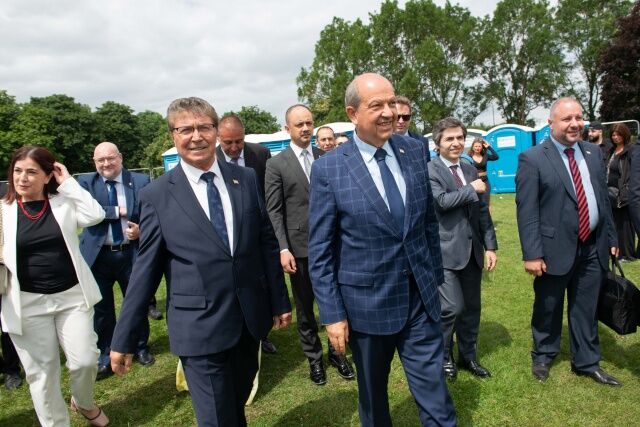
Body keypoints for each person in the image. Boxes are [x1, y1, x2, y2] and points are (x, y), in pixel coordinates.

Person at [110, 97, 292, 427]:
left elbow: (265, 243)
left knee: (235, 406)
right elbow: (145, 271)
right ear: (173, 135)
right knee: (216, 418)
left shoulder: (245, 179)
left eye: (204, 127)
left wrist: (279, 301)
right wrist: (124, 338)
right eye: (185, 129)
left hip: (248, 321)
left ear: (216, 132)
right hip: (199, 329)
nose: (196, 136)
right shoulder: (157, 195)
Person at [309, 73, 456, 426]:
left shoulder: (414, 150)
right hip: (366, 308)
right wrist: (332, 314)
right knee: (374, 401)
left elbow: (427, 222)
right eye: (377, 105)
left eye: (392, 103)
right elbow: (321, 250)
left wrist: (435, 279)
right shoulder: (329, 168)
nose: (389, 112)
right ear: (353, 113)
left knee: (435, 394)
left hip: (420, 300)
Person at [1, 146, 109, 426]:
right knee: (42, 375)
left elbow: (95, 215)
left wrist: (69, 183)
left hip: (72, 297)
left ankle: (83, 402)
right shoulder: (3, 210)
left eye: (31, 172)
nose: (22, 178)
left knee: (85, 360)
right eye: (17, 171)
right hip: (26, 304)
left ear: (48, 175)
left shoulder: (62, 203)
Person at [515, 97, 620, 386]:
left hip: (593, 246)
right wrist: (532, 253)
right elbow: (527, 211)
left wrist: (611, 237)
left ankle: (586, 361)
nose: (575, 124)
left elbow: (602, 199)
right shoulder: (533, 158)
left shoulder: (593, 153)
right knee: (548, 306)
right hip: (553, 249)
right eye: (567, 119)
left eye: (578, 117)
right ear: (551, 123)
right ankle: (544, 354)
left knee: (586, 306)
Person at [265, 104, 354, 385]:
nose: (305, 128)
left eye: (308, 123)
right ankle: (314, 359)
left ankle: (338, 354)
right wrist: (283, 248)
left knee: (337, 301)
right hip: (300, 248)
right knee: (305, 309)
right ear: (287, 129)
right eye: (299, 124)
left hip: (333, 245)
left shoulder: (326, 157)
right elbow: (274, 211)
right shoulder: (276, 164)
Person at [78, 142, 155, 381]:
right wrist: (118, 211)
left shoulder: (140, 181)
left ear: (120, 158)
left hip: (130, 253)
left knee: (136, 302)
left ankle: (140, 346)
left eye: (110, 158)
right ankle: (105, 353)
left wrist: (141, 230)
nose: (106, 164)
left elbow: (152, 213)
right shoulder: (85, 183)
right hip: (98, 257)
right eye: (100, 160)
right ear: (94, 162)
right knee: (101, 309)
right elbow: (87, 212)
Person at [429, 118, 497, 381]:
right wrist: (471, 189)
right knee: (451, 309)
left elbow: (482, 212)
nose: (456, 143)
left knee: (471, 309)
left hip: (472, 252)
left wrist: (490, 246)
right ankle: (444, 356)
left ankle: (468, 357)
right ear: (438, 143)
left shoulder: (469, 169)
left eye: (460, 137)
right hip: (444, 252)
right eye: (449, 138)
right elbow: (441, 201)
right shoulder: (430, 170)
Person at [216, 114, 277, 354]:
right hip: (228, 234)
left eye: (238, 141)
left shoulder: (260, 154)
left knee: (260, 284)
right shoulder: (211, 158)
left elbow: (268, 191)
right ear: (218, 138)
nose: (234, 148)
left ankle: (262, 334)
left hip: (258, 228)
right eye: (228, 142)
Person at [605, 123, 635, 261]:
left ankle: (628, 254)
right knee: (614, 224)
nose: (615, 137)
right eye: (613, 135)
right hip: (610, 192)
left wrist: (628, 189)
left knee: (626, 225)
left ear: (624, 135)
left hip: (624, 192)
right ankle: (616, 251)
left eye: (618, 135)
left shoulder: (630, 151)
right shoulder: (610, 151)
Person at [394, 95, 430, 161]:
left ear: (410, 118)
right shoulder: (382, 142)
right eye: (397, 117)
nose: (401, 121)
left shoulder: (422, 141)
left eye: (406, 117)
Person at [468, 137, 499, 206]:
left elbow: (496, 157)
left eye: (479, 146)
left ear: (482, 147)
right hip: (474, 182)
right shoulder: (468, 157)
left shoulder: (485, 155)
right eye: (476, 146)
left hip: (485, 181)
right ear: (472, 147)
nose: (477, 148)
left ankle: (487, 213)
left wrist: (489, 147)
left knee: (486, 201)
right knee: (476, 202)